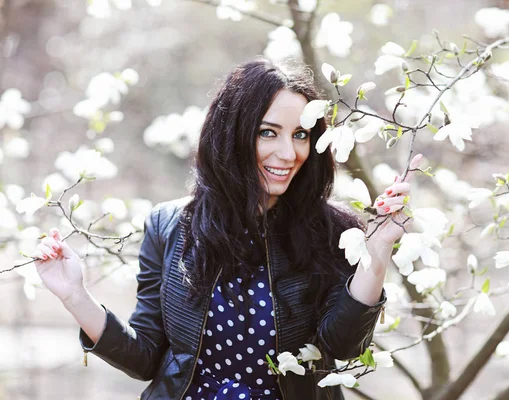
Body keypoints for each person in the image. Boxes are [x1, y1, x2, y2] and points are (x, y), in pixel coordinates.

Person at [33, 57, 420, 400]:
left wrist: (376, 255)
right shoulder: (168, 225)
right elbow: (147, 358)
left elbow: (345, 347)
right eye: (268, 132)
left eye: (300, 134)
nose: (288, 153)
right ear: (232, 133)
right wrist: (75, 297)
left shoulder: (333, 231)